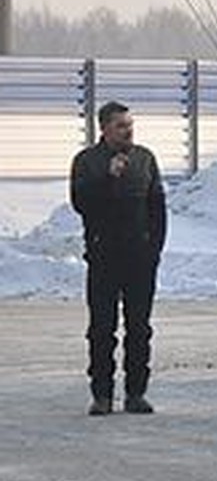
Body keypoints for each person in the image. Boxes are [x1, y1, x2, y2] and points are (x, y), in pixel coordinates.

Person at [70, 101, 167, 416]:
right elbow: (82, 204)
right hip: (104, 257)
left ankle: (136, 393)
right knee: (102, 328)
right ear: (104, 129)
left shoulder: (144, 159)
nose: (129, 130)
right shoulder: (87, 162)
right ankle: (101, 395)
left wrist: (154, 250)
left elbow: (157, 209)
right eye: (121, 126)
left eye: (130, 124)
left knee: (139, 327)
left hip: (139, 258)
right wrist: (107, 178)